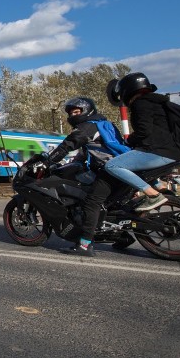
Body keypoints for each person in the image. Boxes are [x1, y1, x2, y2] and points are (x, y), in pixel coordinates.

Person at [42, 96, 127, 257]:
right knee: (108, 202)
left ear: (87, 110)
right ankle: (122, 236)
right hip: (119, 166)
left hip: (110, 170)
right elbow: (95, 149)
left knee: (90, 203)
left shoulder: (87, 127)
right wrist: (76, 160)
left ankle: (85, 244)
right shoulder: (103, 124)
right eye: (71, 113)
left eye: (76, 112)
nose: (73, 115)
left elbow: (68, 145)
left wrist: (49, 161)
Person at [104, 72, 180, 212]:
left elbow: (144, 131)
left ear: (127, 90)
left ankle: (153, 195)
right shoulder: (158, 102)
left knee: (112, 166)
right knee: (138, 167)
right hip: (172, 151)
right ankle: (160, 188)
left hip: (158, 151)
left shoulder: (141, 103)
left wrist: (128, 140)